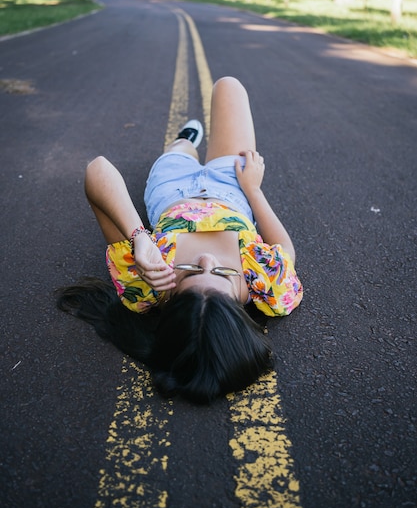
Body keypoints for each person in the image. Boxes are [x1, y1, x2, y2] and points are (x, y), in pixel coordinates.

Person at [57, 76, 303, 404]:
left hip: (170, 188)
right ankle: (186, 147)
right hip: (232, 186)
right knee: (229, 86)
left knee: (180, 150)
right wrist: (254, 189)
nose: (207, 261)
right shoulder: (269, 290)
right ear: (239, 315)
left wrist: (139, 237)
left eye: (188, 272)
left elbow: (97, 170)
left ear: (171, 305)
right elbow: (284, 249)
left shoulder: (144, 285)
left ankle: (184, 141)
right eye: (221, 275)